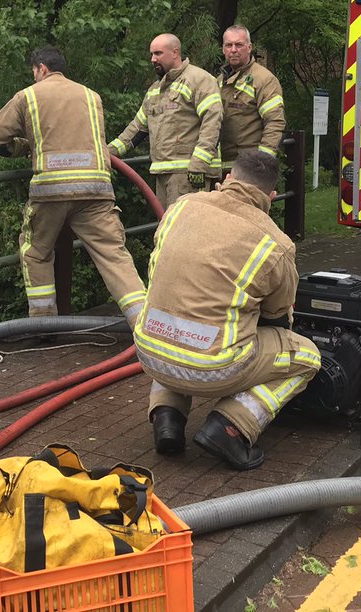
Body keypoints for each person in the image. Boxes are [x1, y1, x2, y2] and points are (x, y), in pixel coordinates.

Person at [131, 152, 321, 470]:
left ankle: (168, 418)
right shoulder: (275, 243)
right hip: (212, 367)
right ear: (271, 197)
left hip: (149, 351)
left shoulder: (181, 208)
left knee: (182, 314)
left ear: (229, 178)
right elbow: (277, 317)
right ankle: (231, 426)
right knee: (307, 357)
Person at [0, 46, 147, 324]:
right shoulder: (90, 95)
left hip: (51, 192)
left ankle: (44, 324)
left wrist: (20, 148)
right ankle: (144, 323)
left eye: (34, 72)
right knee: (114, 257)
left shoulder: (28, 96)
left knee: (35, 252)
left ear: (41, 69)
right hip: (96, 189)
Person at [108, 34, 223, 208]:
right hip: (163, 171)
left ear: (175, 52)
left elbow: (213, 122)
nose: (153, 59)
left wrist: (199, 163)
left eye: (158, 53)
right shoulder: (156, 90)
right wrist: (106, 153)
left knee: (184, 230)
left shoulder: (199, 79)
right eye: (152, 54)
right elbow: (136, 129)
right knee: (167, 229)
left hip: (189, 174)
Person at [218, 25, 286, 175]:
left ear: (249, 47)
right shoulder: (219, 81)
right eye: (229, 45)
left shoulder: (264, 80)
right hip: (222, 169)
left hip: (250, 169)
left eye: (239, 45)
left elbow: (275, 122)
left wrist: (262, 162)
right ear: (223, 49)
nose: (233, 50)